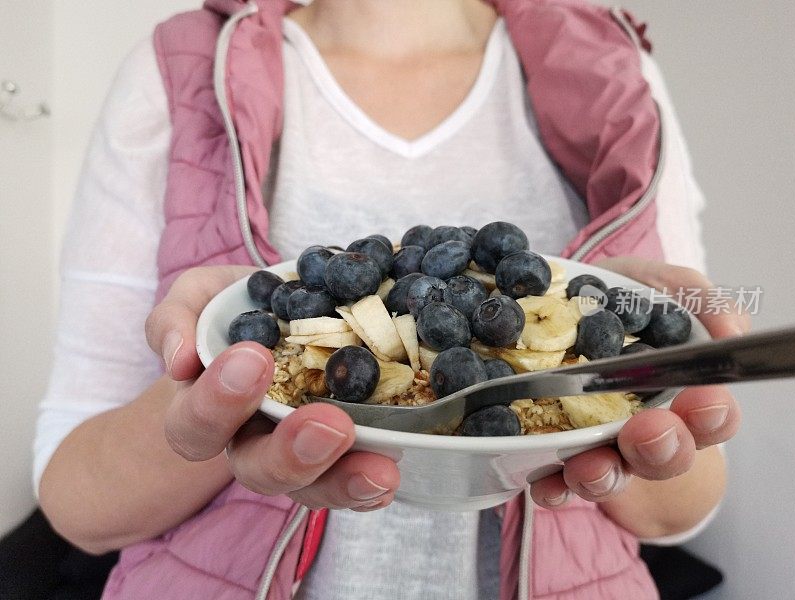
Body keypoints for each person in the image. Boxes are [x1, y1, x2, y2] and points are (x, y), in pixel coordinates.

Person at [35, 0, 746, 598]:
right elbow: (77, 504)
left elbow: (680, 506)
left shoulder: (615, 73)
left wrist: (636, 383)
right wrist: (225, 386)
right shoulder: (183, 70)